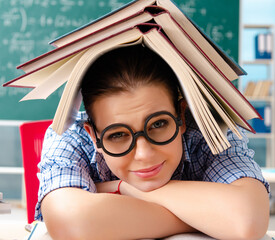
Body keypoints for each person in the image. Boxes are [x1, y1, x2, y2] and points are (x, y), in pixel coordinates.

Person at [38, 45, 270, 240]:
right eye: (117, 135)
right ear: (93, 135)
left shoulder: (211, 129)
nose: (144, 154)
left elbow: (246, 220)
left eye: (158, 125)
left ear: (180, 116)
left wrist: (124, 188)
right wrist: (208, 218)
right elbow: (70, 222)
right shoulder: (68, 136)